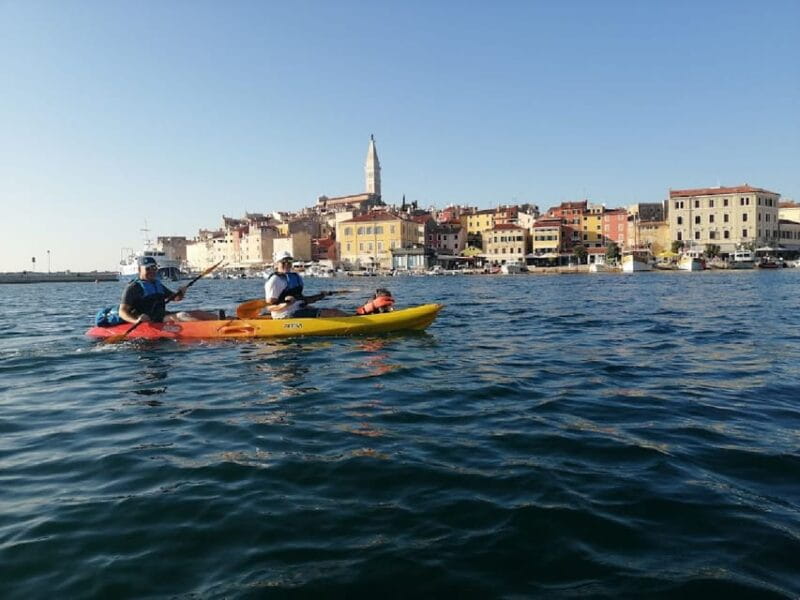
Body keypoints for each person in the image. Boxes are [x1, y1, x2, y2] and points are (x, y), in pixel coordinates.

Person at [118, 256, 220, 324]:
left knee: (198, 312)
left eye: (154, 268)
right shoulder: (133, 287)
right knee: (182, 315)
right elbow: (122, 312)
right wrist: (136, 321)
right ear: (139, 270)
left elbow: (176, 298)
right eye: (148, 268)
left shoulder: (157, 284)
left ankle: (228, 320)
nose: (152, 271)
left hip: (162, 315)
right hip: (150, 320)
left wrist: (182, 292)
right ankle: (212, 328)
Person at [264, 251, 348, 318]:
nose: (287, 264)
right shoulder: (274, 280)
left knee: (333, 311)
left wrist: (321, 296)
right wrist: (286, 304)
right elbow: (269, 307)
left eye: (289, 261)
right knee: (332, 313)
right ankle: (356, 322)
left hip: (299, 309)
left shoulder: (296, 277)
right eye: (283, 262)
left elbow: (303, 300)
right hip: (286, 315)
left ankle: (355, 319)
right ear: (276, 264)